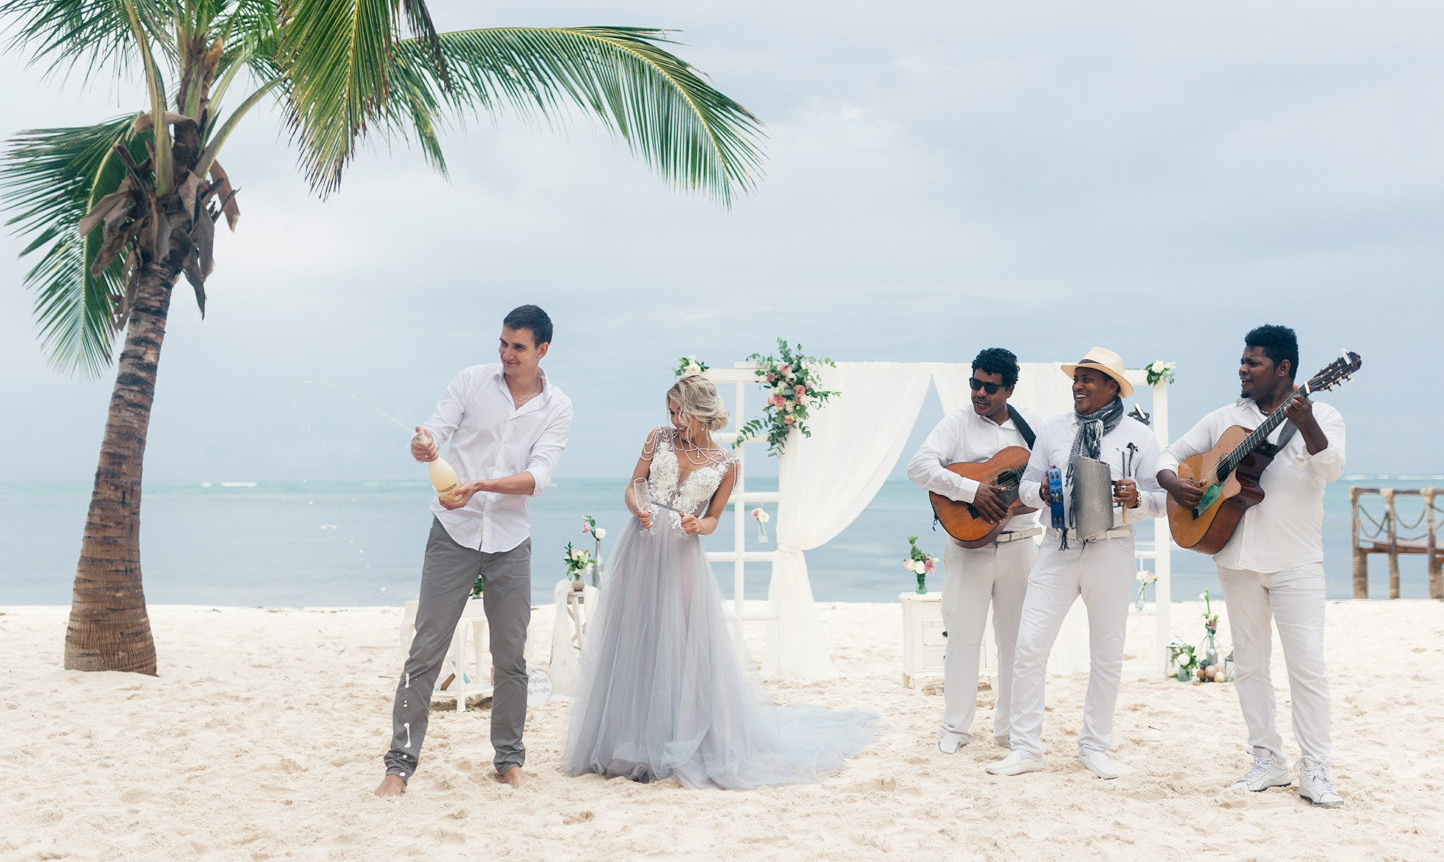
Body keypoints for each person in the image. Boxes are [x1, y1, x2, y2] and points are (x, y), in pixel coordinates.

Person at [563, 374, 882, 789]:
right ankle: (626, 742)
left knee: (677, 643)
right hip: (639, 546)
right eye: (670, 411)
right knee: (634, 639)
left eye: (680, 412)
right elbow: (633, 485)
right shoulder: (657, 437)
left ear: (699, 412)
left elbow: (714, 518)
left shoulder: (727, 462)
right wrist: (640, 507)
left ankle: (674, 740)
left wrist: (699, 525)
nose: (673, 419)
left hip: (681, 555)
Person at [375, 305, 573, 796]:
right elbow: (436, 431)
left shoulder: (558, 408)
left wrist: (482, 484)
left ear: (542, 351)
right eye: (503, 343)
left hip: (510, 541)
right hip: (453, 531)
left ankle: (508, 759)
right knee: (426, 650)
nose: (506, 353)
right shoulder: (470, 381)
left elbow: (540, 477)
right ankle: (398, 767)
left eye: (518, 347)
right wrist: (424, 447)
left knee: (511, 658)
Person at [1156, 325, 1346, 808]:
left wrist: (1306, 424)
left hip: (1297, 563)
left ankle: (1316, 770)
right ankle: (1268, 760)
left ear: (1283, 369)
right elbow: (1169, 455)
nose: (1242, 369)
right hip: (1235, 558)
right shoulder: (1224, 420)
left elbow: (1333, 468)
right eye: (1241, 361)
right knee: (1250, 667)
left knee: (1308, 668)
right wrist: (1174, 485)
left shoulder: (1322, 412)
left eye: (1253, 362)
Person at [988, 346, 1165, 780]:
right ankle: (1027, 749)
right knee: (1029, 646)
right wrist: (1038, 495)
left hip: (1112, 547)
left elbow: (1163, 501)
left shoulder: (1139, 436)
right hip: (1057, 546)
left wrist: (1138, 500)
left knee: (1106, 653)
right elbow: (1027, 485)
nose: (1078, 385)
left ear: (1112, 387)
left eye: (1089, 378)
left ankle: (1094, 747)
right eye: (1077, 377)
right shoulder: (1052, 429)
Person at [907, 348, 1041, 755]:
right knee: (963, 637)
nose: (980, 393)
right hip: (969, 547)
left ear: (1010, 389)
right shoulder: (957, 423)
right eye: (975, 383)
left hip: (1020, 544)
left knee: (1016, 642)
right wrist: (972, 490)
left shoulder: (1031, 426)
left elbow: (1046, 478)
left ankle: (1009, 730)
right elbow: (919, 467)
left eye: (990, 387)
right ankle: (955, 729)